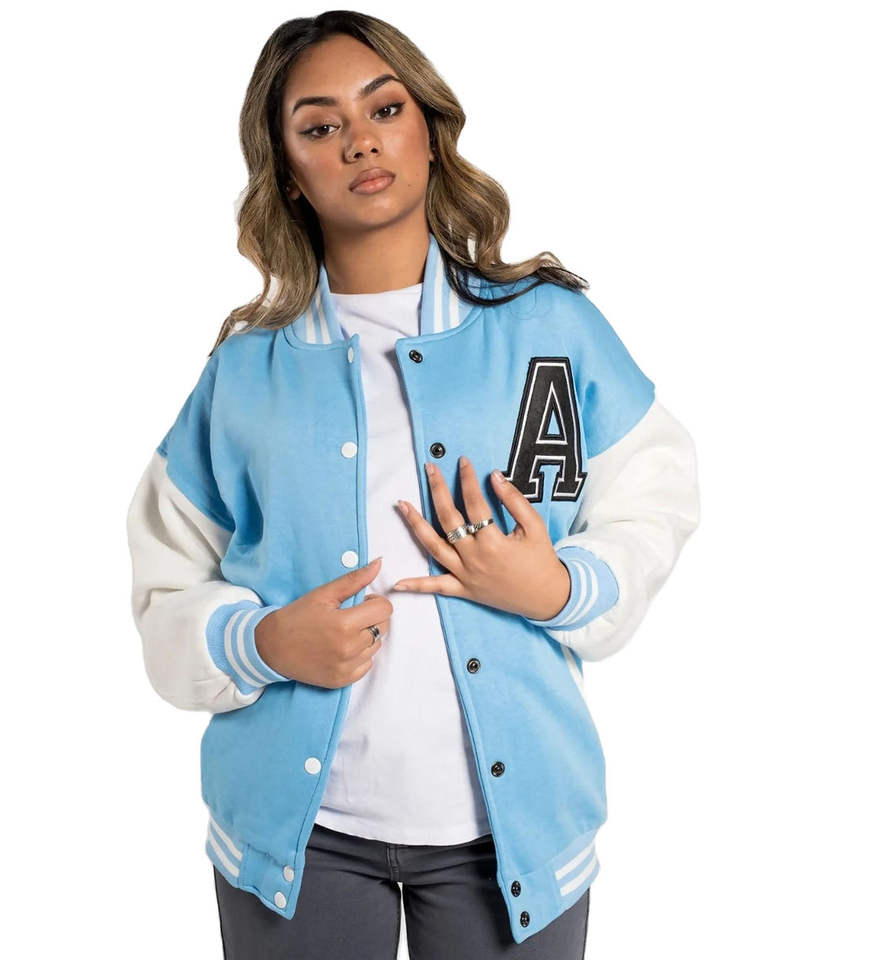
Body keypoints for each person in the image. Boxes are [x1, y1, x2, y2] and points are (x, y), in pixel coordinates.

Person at [125, 11, 700, 960]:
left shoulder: (547, 330)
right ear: (289, 172)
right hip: (298, 839)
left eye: (385, 109)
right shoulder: (245, 374)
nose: (360, 140)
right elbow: (163, 586)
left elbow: (656, 496)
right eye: (320, 126)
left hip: (515, 835)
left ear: (430, 131)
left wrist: (558, 587)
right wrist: (263, 642)